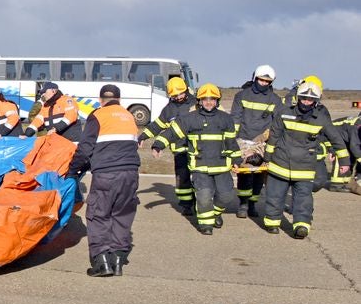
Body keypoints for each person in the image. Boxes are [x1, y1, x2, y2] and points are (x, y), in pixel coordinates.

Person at [260, 77, 349, 238]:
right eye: (304, 98)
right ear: (298, 97)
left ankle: (301, 226)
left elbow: (336, 139)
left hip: (305, 167)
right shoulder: (285, 113)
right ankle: (272, 223)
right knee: (275, 196)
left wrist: (344, 161)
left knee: (304, 199)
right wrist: (267, 158)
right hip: (280, 164)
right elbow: (274, 137)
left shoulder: (321, 119)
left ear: (316, 101)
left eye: (311, 99)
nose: (307, 101)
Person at [68, 84, 140, 277]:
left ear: (100, 100)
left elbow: (85, 149)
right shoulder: (128, 116)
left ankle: (102, 263)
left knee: (98, 215)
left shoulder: (98, 115)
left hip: (107, 174)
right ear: (119, 99)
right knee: (122, 214)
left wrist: (73, 171)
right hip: (131, 173)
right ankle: (118, 260)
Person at [152, 84, 240, 235]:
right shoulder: (189, 119)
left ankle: (215, 213)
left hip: (221, 166)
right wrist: (158, 145)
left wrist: (236, 159)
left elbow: (231, 142)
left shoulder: (226, 119)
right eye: (205, 99)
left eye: (212, 99)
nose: (208, 102)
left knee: (226, 196)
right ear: (199, 101)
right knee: (204, 196)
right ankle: (206, 224)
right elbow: (171, 133)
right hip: (200, 166)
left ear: (217, 101)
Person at [139, 77, 195, 215]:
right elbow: (157, 125)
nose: (178, 97)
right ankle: (186, 204)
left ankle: (202, 202)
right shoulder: (169, 109)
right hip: (180, 150)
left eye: (180, 93)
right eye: (175, 95)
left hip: (198, 149)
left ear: (186, 90)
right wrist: (143, 136)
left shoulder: (196, 103)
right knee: (182, 179)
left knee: (201, 178)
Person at [229, 64, 279, 218]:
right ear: (255, 78)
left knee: (259, 174)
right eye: (261, 80)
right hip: (243, 140)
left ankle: (252, 204)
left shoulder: (275, 100)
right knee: (244, 173)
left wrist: (267, 139)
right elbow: (235, 118)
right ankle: (243, 204)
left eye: (267, 81)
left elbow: (277, 122)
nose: (264, 83)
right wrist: (234, 141)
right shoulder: (241, 96)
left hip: (263, 143)